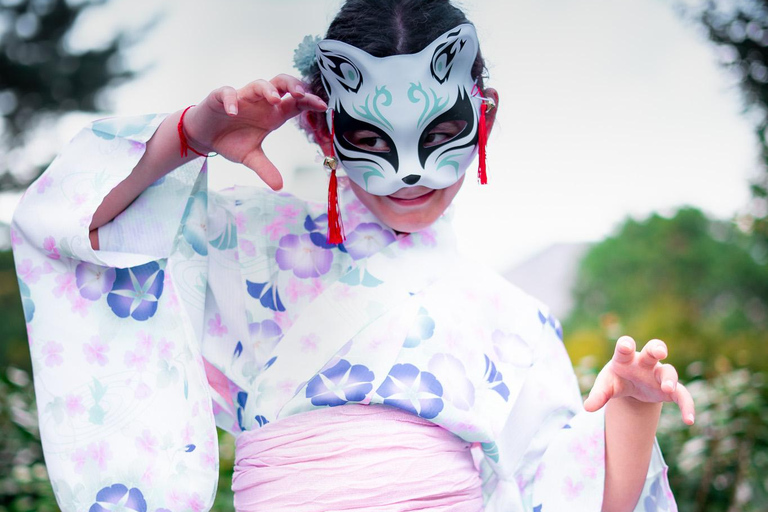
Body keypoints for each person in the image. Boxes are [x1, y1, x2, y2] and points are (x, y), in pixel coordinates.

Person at [11, 1, 694, 511]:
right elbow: (76, 227)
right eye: (371, 135)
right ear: (320, 127)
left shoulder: (511, 317)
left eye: (444, 131)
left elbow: (567, 499)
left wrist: (632, 410)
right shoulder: (248, 243)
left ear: (483, 116)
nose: (410, 173)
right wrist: (191, 133)